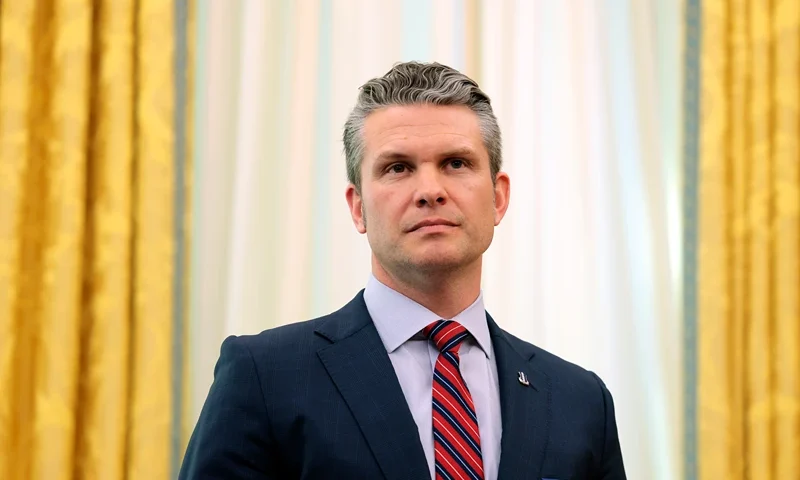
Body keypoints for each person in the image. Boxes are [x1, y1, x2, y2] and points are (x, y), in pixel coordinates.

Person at [179, 61, 626, 480]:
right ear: (358, 209)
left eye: (456, 163)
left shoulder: (580, 401)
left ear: (499, 197)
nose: (430, 190)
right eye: (398, 168)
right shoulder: (264, 376)